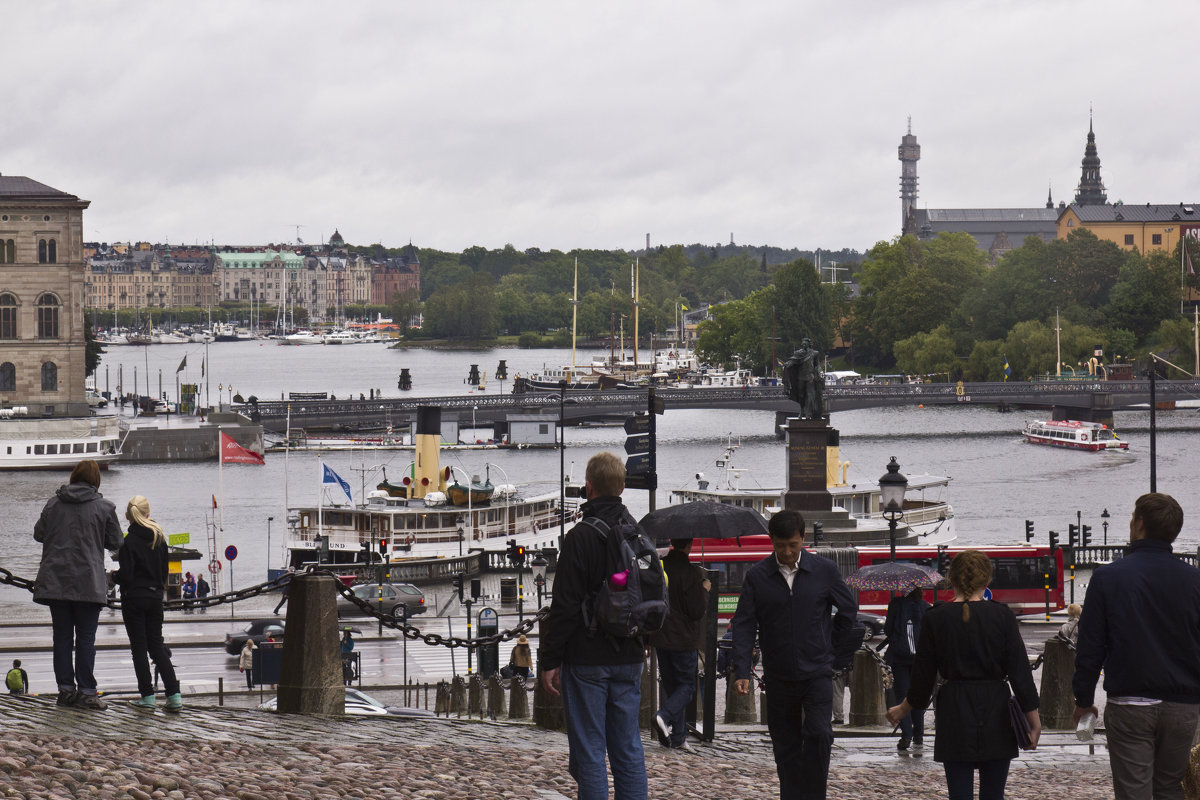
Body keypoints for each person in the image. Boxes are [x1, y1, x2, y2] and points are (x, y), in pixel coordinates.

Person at [1073, 493, 1200, 800]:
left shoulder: (1107, 578)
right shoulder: (1194, 580)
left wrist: (1084, 698)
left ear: (1140, 523)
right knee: (1170, 788)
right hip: (1183, 704)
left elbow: (1091, 646)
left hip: (1131, 702)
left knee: (1134, 792)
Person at [887, 550, 1040, 800]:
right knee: (993, 795)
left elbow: (922, 679)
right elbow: (1020, 674)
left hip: (954, 710)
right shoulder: (1003, 616)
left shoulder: (935, 618)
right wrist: (1033, 720)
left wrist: (903, 709)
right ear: (987, 581)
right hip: (996, 709)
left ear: (952, 580)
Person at [541, 451, 648, 800]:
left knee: (589, 748)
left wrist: (550, 660)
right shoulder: (637, 533)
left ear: (588, 487)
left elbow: (566, 605)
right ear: (621, 487)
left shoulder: (580, 537)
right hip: (630, 653)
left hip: (587, 657)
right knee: (628, 747)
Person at [730, 509, 857, 800]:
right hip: (779, 675)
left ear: (803, 539)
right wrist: (741, 670)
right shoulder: (757, 577)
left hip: (817, 673)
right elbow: (744, 623)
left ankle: (814, 794)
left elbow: (849, 614)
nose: (787, 552)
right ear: (771, 541)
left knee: (819, 733)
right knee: (785, 744)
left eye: (793, 545)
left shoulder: (824, 570)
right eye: (780, 545)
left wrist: (834, 654)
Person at [33, 459, 123, 710]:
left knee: (61, 638)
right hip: (88, 583)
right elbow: (117, 542)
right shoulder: (104, 507)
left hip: (56, 581)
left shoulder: (53, 504)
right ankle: (86, 691)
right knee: (86, 639)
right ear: (96, 480)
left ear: (73, 477)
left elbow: (39, 534)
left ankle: (65, 690)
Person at [116, 495, 183, 710]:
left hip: (134, 598)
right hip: (155, 598)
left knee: (139, 649)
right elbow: (164, 572)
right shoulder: (159, 538)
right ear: (147, 513)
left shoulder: (129, 541)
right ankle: (174, 695)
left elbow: (126, 575)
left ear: (128, 516)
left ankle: (147, 696)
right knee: (156, 646)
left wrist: (112, 577)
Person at [650, 538, 710, 749]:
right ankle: (663, 717)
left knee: (672, 687)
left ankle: (677, 738)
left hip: (660, 635)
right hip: (683, 639)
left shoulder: (660, 565)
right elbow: (696, 611)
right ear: (689, 546)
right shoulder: (692, 573)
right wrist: (704, 590)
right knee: (687, 687)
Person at [884, 585, 929, 751]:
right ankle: (919, 736)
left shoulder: (896, 604)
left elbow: (888, 630)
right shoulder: (925, 606)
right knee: (918, 696)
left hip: (900, 657)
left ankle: (906, 736)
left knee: (903, 695)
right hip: (920, 658)